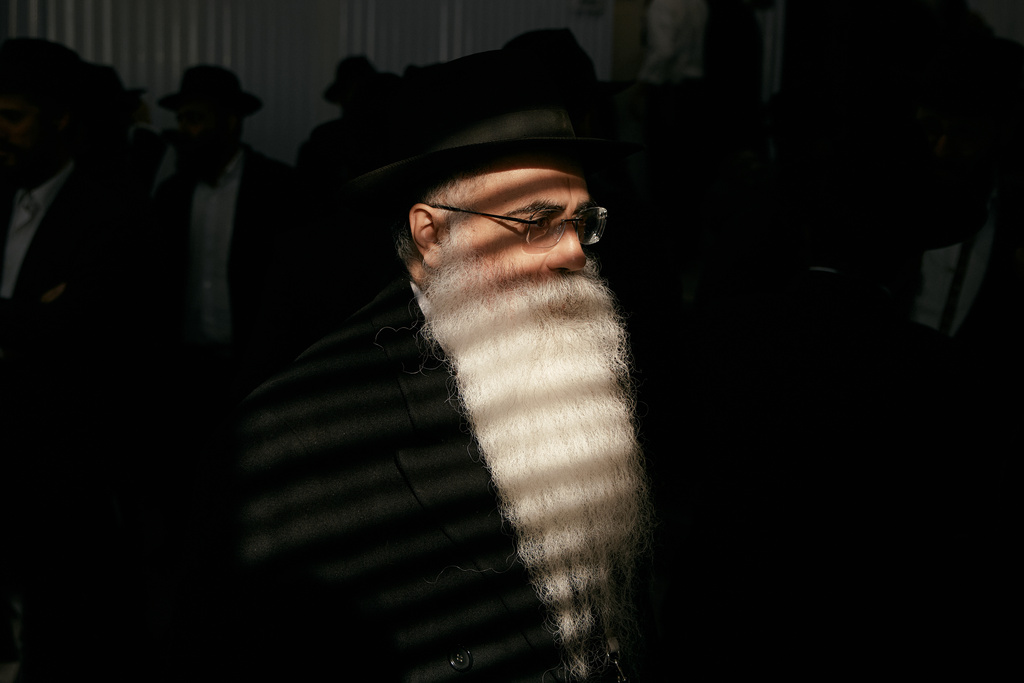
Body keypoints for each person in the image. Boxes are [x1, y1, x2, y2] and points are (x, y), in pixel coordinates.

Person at [173, 49, 655, 683]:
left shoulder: (588, 368)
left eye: (582, 221)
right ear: (431, 236)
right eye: (535, 222)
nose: (572, 252)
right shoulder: (293, 445)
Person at [0, 37, 154, 682]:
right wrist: (32, 312)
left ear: (59, 117)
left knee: (59, 619)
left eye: (12, 117)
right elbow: (47, 319)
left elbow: (78, 328)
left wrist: (43, 317)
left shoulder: (109, 211)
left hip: (59, 458)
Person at [152, 65, 296, 432]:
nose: (185, 129)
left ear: (230, 121)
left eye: (196, 119)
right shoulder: (172, 194)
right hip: (181, 370)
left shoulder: (277, 188)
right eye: (181, 119)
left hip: (254, 368)